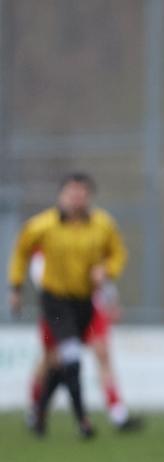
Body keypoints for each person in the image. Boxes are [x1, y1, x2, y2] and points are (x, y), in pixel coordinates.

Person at [7, 172, 128, 439]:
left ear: (90, 197)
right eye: (72, 193)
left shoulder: (103, 225)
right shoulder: (42, 225)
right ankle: (83, 422)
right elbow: (20, 252)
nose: (77, 199)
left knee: (59, 363)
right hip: (55, 301)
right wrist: (15, 288)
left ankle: (39, 414)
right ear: (61, 196)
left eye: (82, 194)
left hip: (84, 301)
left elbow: (118, 254)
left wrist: (107, 271)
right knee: (70, 358)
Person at [27, 251, 142, 432]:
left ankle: (118, 414)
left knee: (102, 354)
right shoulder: (46, 237)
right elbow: (41, 277)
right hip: (59, 307)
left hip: (88, 305)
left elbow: (99, 271)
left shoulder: (90, 234)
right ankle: (37, 411)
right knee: (52, 362)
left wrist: (109, 299)